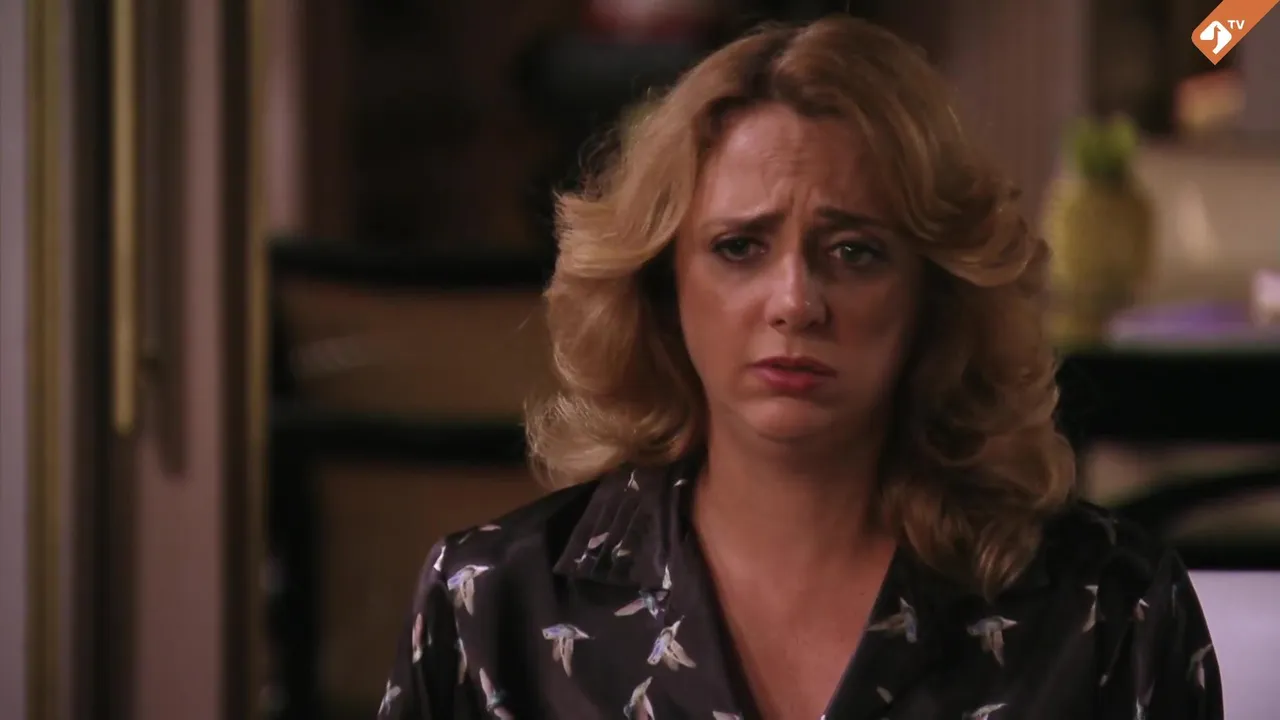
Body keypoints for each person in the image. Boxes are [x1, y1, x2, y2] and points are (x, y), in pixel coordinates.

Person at [378, 16, 1223, 720]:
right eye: (739, 247)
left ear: (934, 295)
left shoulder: (1111, 607)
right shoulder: (493, 604)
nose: (795, 302)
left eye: (854, 251)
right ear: (664, 290)